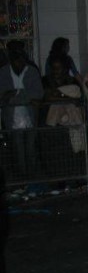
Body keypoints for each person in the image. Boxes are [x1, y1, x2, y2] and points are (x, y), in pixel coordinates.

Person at [0, 44, 43, 179]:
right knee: (17, 150)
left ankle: (32, 176)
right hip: (12, 118)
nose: (20, 64)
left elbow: (39, 94)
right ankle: (22, 177)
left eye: (22, 61)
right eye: (17, 62)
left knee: (31, 149)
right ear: (11, 61)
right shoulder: (4, 72)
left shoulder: (31, 71)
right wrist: (25, 95)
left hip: (30, 116)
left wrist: (15, 94)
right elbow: (2, 95)